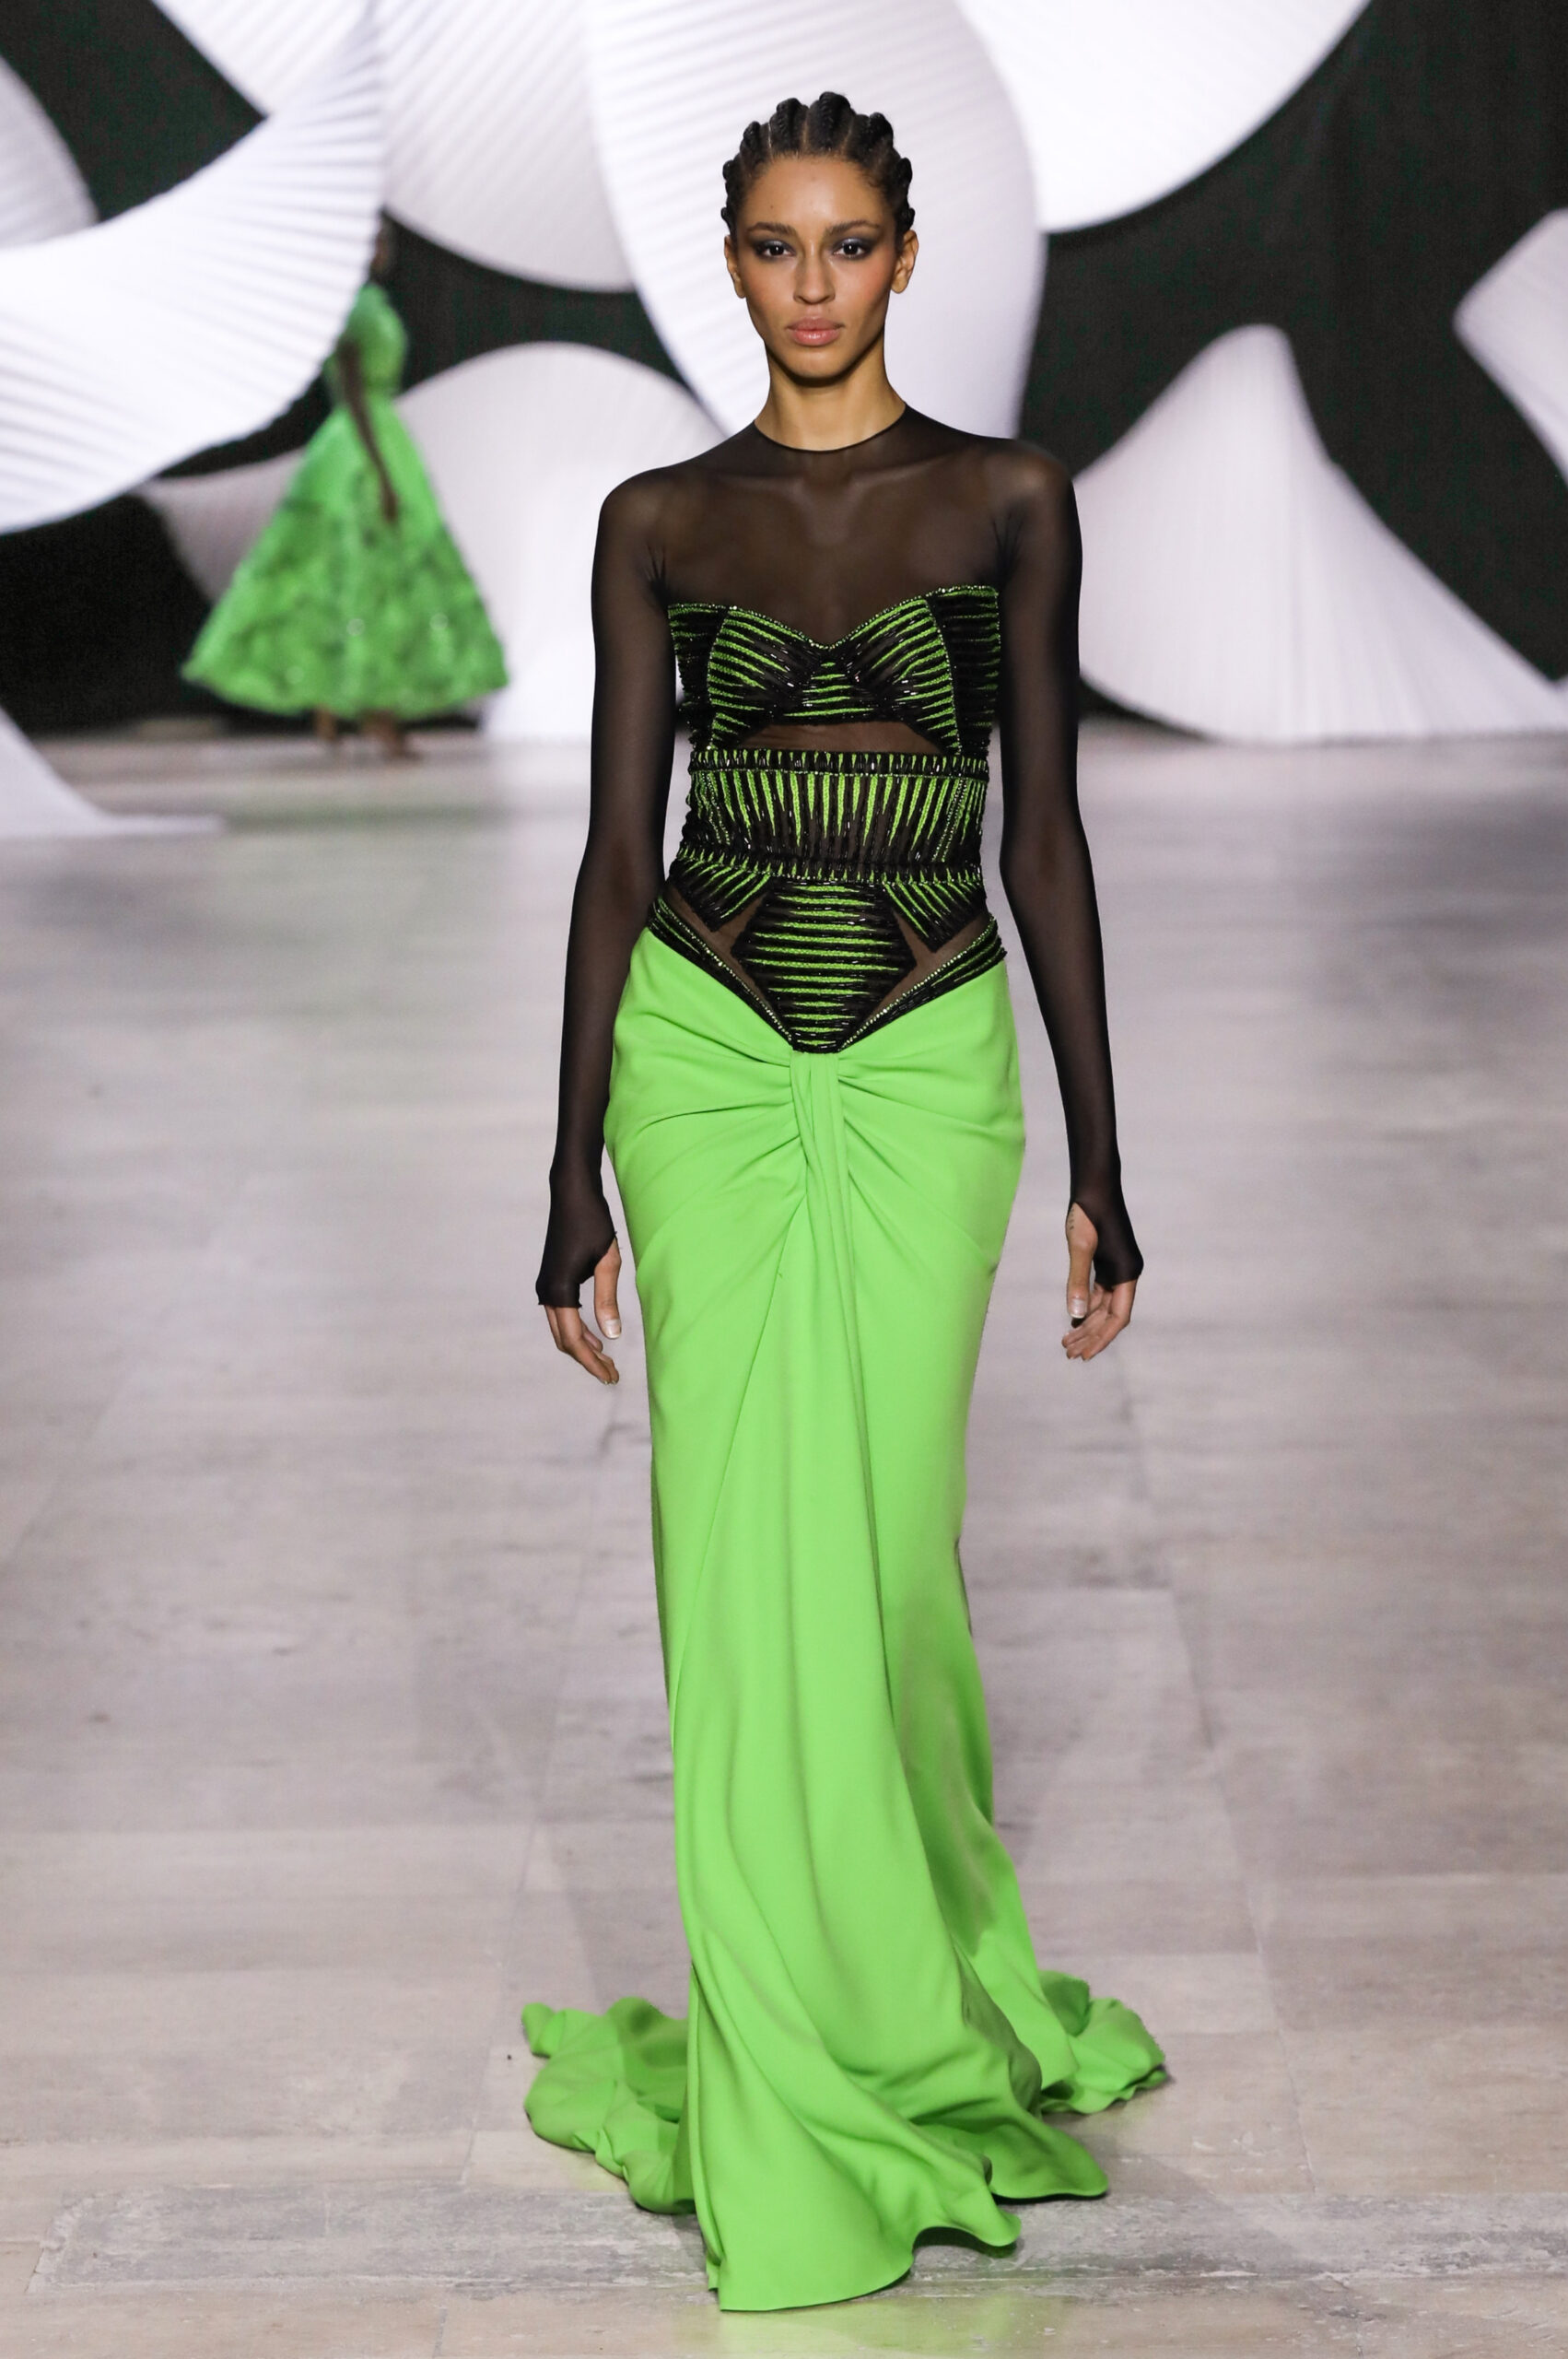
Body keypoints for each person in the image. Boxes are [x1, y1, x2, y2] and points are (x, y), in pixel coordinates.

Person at [524, 94, 1164, 2313]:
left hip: (922, 1064)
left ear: (904, 255)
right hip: (698, 1061)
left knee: (881, 1560)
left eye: (849, 243)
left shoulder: (1007, 497)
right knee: (729, 1563)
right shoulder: (657, 517)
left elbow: (1043, 833)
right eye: (777, 245)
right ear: (732, 261)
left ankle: (910, 1965)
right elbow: (615, 849)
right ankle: (782, 2059)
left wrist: (1099, 1156)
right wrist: (567, 1164)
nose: (813, 282)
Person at [182, 222, 506, 757]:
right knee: (366, 574)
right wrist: (378, 467)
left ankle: (340, 703)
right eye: (376, 242)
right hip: (359, 442)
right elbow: (351, 387)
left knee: (362, 574)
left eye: (386, 243)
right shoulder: (355, 309)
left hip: (380, 433)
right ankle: (374, 713)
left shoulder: (376, 305)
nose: (383, 251)